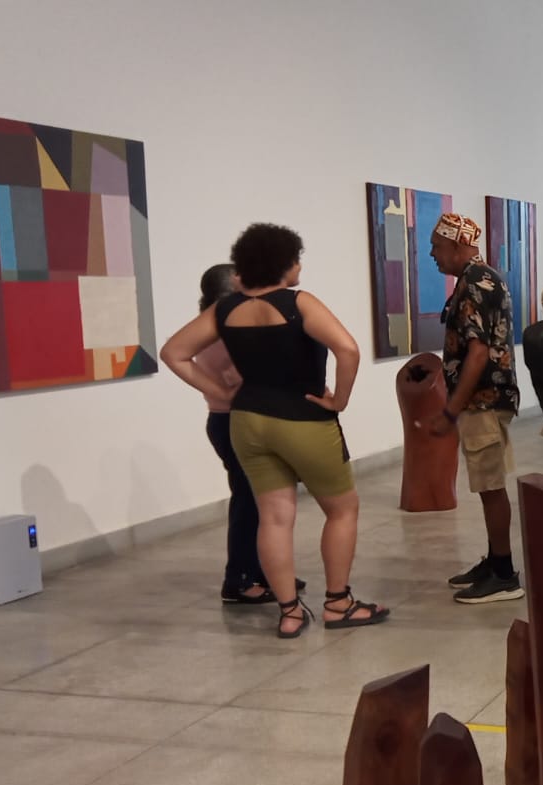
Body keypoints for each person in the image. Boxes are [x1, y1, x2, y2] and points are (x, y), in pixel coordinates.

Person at [160, 224, 388, 637]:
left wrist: (222, 394)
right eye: (296, 259)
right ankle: (338, 604)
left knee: (274, 517)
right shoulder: (299, 303)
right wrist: (339, 401)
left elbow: (173, 353)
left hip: (248, 421)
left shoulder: (224, 310)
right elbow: (348, 349)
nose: (299, 266)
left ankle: (289, 613)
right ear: (283, 264)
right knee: (342, 509)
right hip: (303, 419)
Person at [422, 213, 525, 605]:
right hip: (484, 400)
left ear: (457, 245)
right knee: (486, 486)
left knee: (491, 485)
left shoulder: (475, 284)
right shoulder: (478, 279)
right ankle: (495, 560)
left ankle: (504, 575)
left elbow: (478, 354)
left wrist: (451, 410)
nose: (432, 254)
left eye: (436, 246)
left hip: (485, 400)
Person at [192, 263, 284, 606]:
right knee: (249, 501)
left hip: (231, 420)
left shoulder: (213, 327)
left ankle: (262, 571)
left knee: (258, 501)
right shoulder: (222, 332)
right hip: (233, 422)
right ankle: (240, 579)